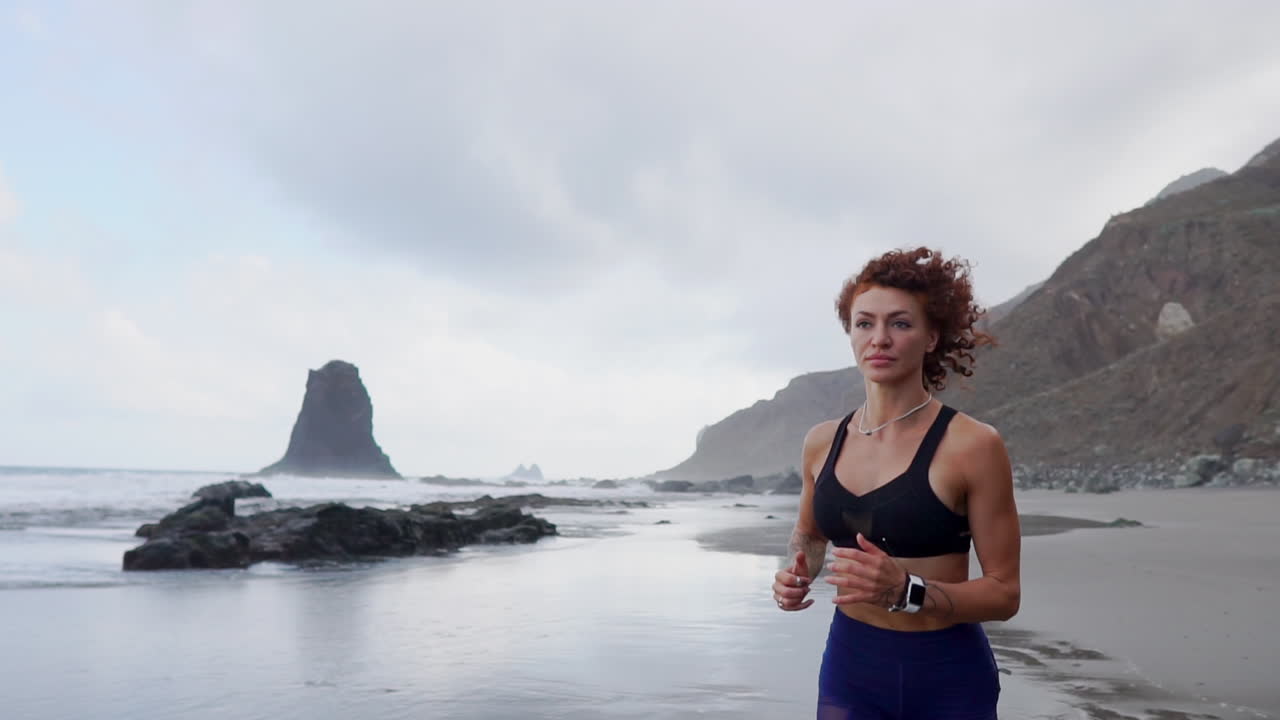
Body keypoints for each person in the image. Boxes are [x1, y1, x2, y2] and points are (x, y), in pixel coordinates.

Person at [771, 247, 1022, 719]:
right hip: (851, 664)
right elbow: (810, 533)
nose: (879, 339)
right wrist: (795, 574)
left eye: (900, 324)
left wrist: (908, 590)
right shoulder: (822, 441)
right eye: (865, 323)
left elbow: (1005, 594)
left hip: (947, 672)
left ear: (931, 338)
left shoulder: (973, 446)